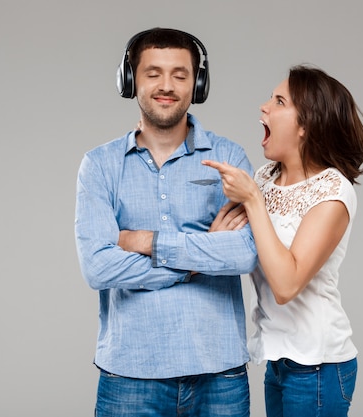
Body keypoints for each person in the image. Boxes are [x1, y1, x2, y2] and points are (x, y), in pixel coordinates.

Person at [74, 28, 257, 417]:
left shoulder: (229, 157)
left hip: (219, 372)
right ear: (130, 80)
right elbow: (98, 266)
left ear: (198, 84)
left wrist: (146, 241)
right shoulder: (100, 166)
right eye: (153, 73)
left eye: (180, 74)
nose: (167, 86)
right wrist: (200, 258)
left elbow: (243, 254)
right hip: (129, 374)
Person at [203, 65, 363, 417]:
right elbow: (234, 243)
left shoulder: (333, 190)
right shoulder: (266, 177)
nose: (264, 107)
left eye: (279, 101)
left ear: (306, 125)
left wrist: (252, 201)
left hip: (318, 365)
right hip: (277, 358)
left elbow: (286, 283)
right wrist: (214, 241)